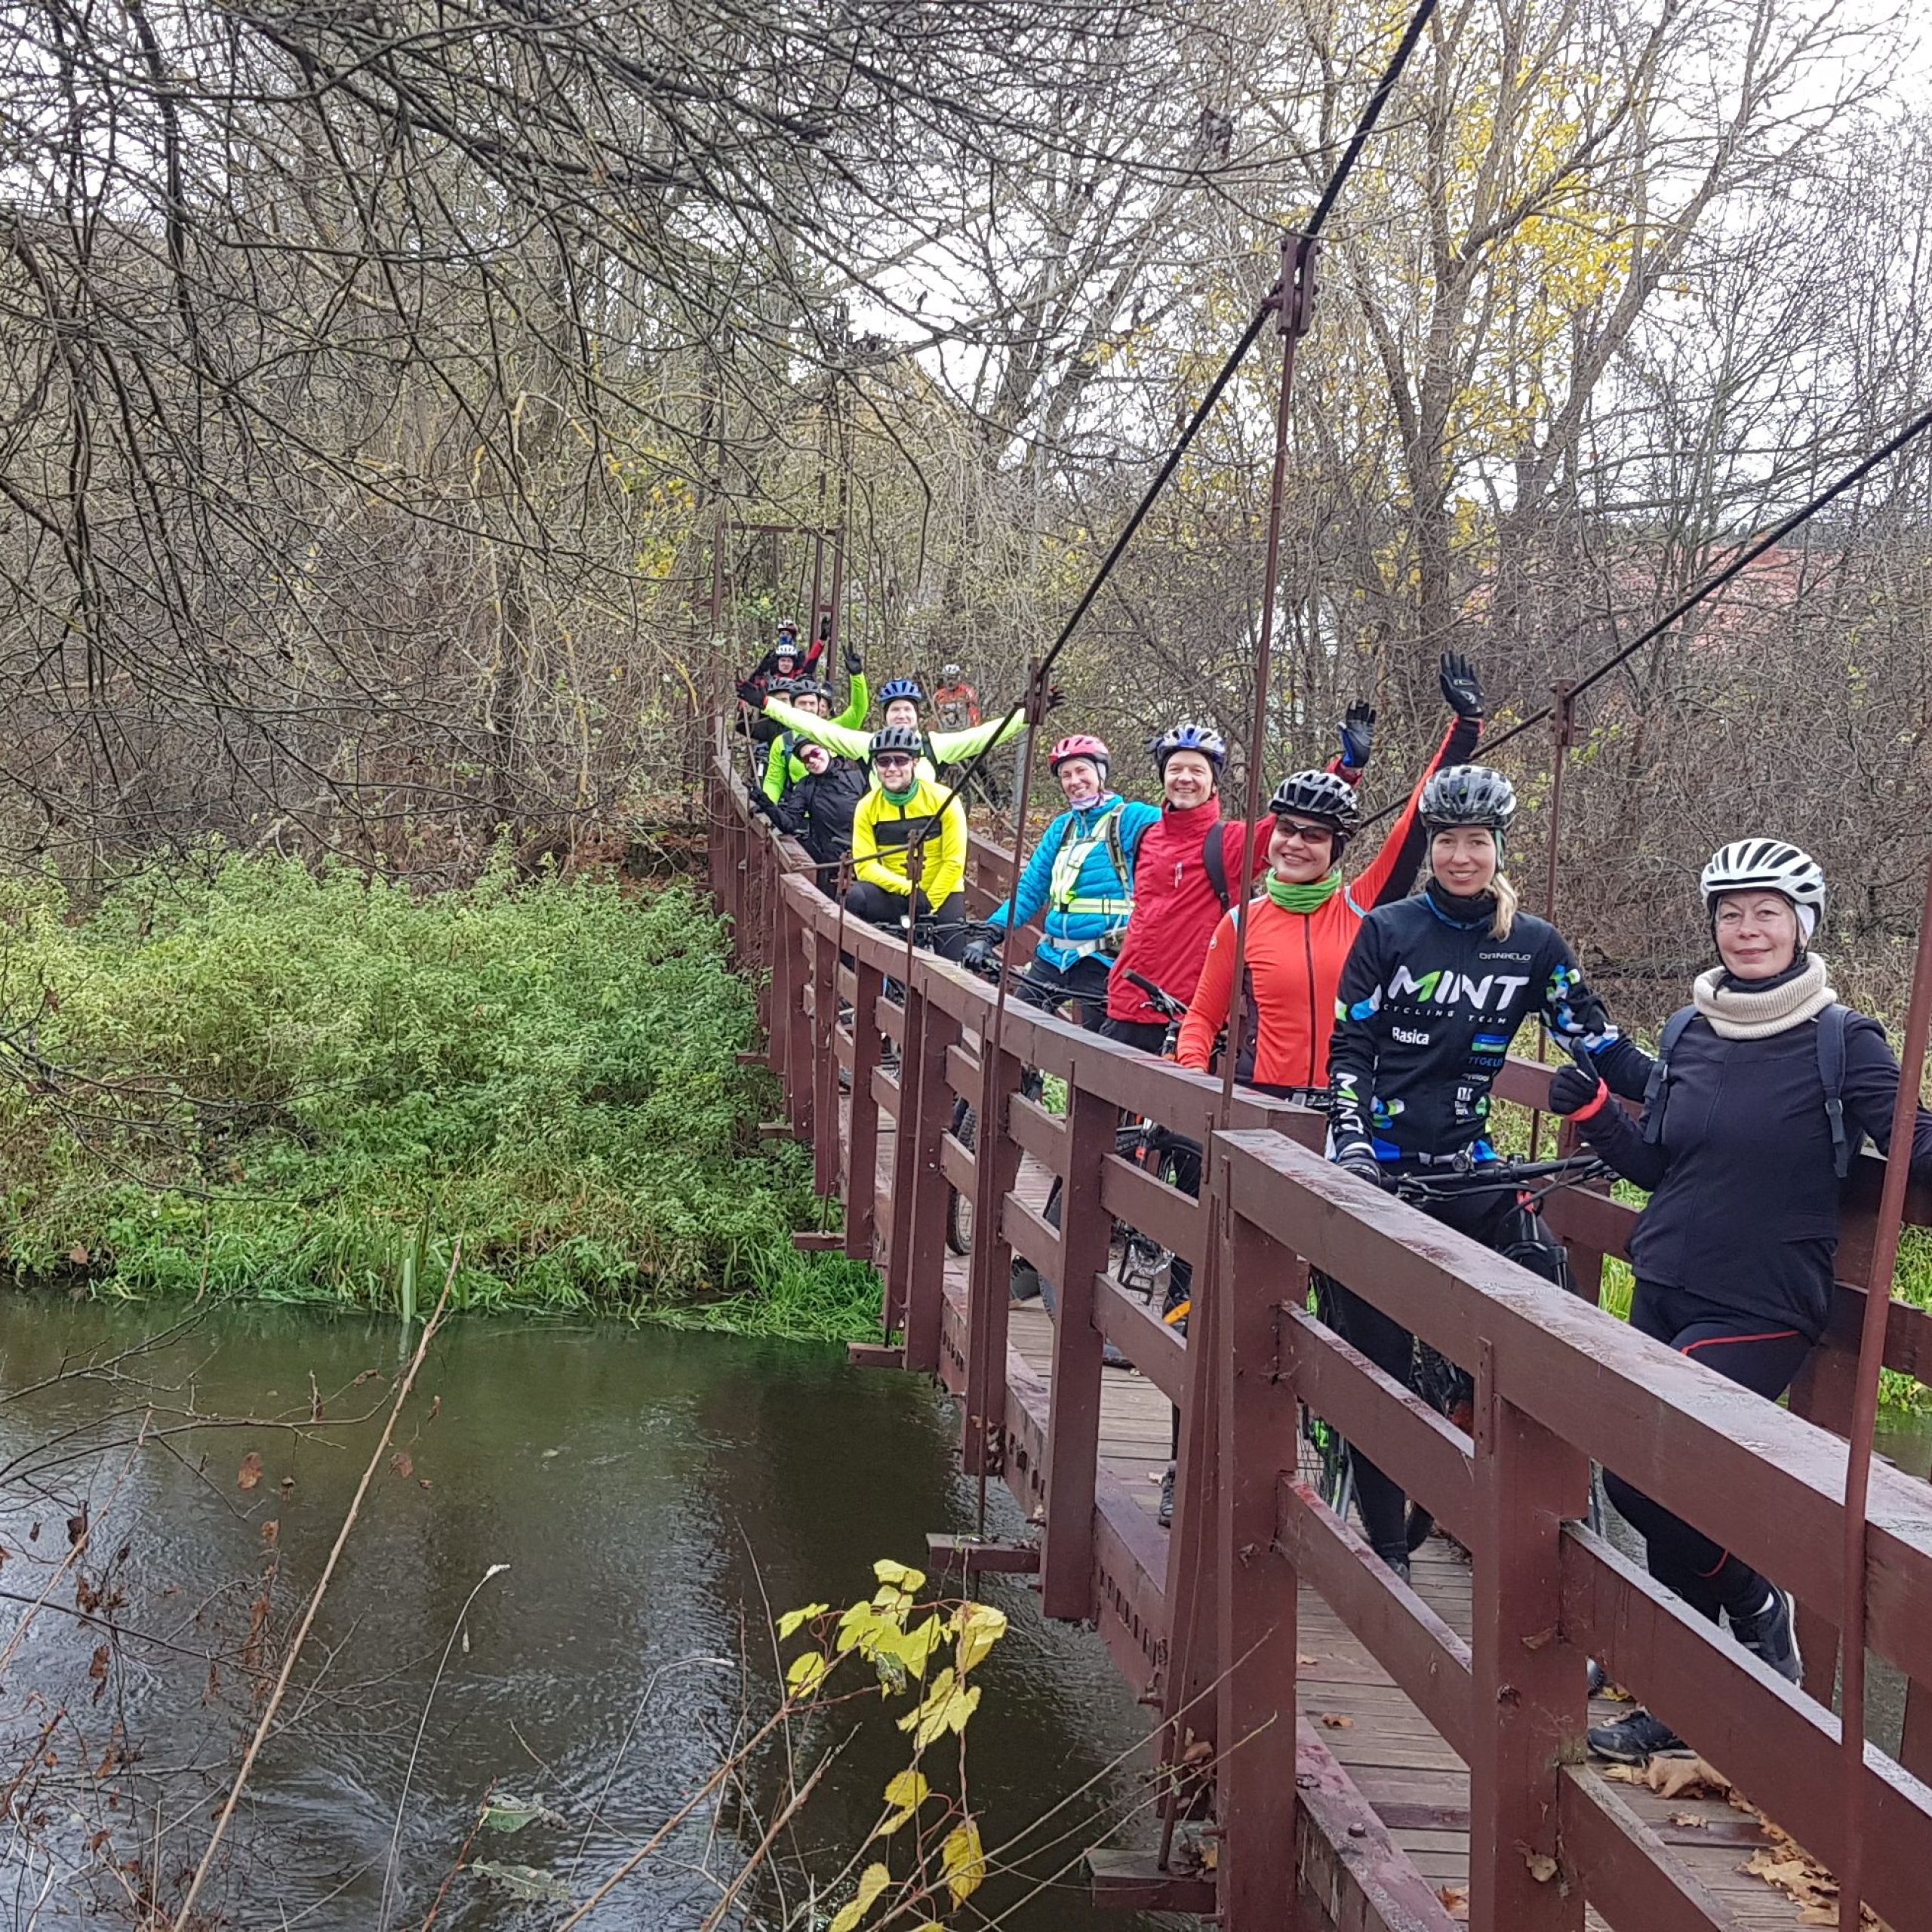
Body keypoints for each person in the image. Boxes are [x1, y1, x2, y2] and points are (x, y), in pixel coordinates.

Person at [1544, 839, 1932, 1762]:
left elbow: (1914, 1147)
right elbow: (1665, 1163)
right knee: (1642, 1475)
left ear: (1803, 924)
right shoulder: (1689, 1029)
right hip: (1667, 1280)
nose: (1746, 929)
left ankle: (1752, 1615)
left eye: (1766, 912)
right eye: (1730, 913)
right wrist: (1601, 1116)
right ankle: (1688, 1673)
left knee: (1652, 1466)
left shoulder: (1846, 1040)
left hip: (1762, 1298)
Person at [1323, 761, 1650, 1580]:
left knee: (1543, 1283)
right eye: (1447, 843)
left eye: (1476, 842)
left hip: (1466, 1162)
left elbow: (1597, 1042)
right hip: (1380, 1163)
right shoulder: (1389, 930)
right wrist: (1356, 1146)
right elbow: (1350, 1049)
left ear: (1497, 849)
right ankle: (1390, 1542)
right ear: (1431, 847)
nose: (1461, 857)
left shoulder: (1531, 943)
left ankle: (1517, 1482)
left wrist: (1690, 1087)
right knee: (1379, 1356)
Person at [1176, 657, 1487, 1091]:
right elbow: (1203, 1016)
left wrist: (1466, 727)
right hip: (1259, 1103)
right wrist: (1192, 1080)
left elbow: (1416, 820)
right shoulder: (1240, 923)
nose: (1296, 844)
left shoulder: (1362, 907)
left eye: (1315, 837)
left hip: (1344, 1109)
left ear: (1335, 850)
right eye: (1286, 830)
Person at [1100, 685, 1395, 1052]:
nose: (1185, 778)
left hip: (1186, 1011)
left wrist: (1346, 771)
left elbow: (1296, 818)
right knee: (1105, 1103)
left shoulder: (1230, 841)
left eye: (1197, 770)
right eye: (1175, 768)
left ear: (1213, 783)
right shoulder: (1147, 834)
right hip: (1127, 999)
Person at [961, 734, 1158, 1030]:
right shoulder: (1062, 828)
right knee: (1011, 1031)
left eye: (1082, 771)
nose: (1074, 781)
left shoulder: (1131, 817)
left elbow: (1181, 826)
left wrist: (1172, 763)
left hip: (1104, 959)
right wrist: (991, 933)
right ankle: (1028, 1078)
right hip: (1054, 955)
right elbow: (1031, 889)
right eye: (1066, 775)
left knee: (1098, 1053)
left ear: (1100, 774)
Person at [746, 675, 1035, 786]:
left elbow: (984, 736)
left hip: (926, 846)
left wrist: (1026, 715)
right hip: (876, 845)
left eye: (907, 709)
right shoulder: (867, 744)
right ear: (885, 716)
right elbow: (816, 728)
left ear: (917, 715)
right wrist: (768, 704)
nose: (901, 715)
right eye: (894, 710)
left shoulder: (936, 746)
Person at [847, 725, 971, 960]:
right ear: (875, 766)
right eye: (883, 762)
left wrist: (928, 902)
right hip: (896, 891)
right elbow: (864, 867)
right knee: (854, 898)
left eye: (900, 760)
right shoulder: (867, 806)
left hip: (942, 891)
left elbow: (954, 862)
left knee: (953, 962)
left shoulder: (944, 800)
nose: (892, 768)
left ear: (914, 762)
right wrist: (911, 891)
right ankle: (853, 980)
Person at [761, 645, 870, 804]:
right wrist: (767, 804)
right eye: (802, 703)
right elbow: (774, 780)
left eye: (812, 703)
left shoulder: (833, 730)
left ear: (819, 706)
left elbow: (858, 711)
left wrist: (857, 676)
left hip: (835, 811)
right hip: (800, 815)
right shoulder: (783, 742)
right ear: (793, 706)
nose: (807, 708)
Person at [752, 740, 868, 875]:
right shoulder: (806, 786)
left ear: (828, 750)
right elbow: (790, 824)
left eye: (815, 753)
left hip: (866, 854)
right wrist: (764, 801)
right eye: (806, 759)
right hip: (830, 862)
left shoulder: (855, 772)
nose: (812, 760)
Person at [934, 663, 981, 731]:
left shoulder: (967, 691)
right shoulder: (938, 695)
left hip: (965, 729)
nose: (950, 682)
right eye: (948, 678)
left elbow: (974, 711)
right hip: (946, 731)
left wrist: (976, 729)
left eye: (953, 678)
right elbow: (935, 715)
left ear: (958, 678)